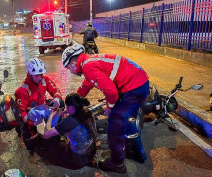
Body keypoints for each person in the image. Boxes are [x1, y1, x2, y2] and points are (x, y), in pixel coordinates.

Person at [62, 43, 149, 173]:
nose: (70, 71)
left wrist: (110, 107)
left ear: (73, 63)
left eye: (68, 68)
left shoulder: (88, 67)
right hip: (139, 82)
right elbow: (86, 85)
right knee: (127, 119)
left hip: (133, 87)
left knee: (114, 123)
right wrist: (71, 104)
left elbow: (111, 92)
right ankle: (136, 152)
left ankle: (117, 163)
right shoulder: (88, 61)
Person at [14, 58, 63, 150]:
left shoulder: (44, 80)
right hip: (31, 114)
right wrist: (31, 122)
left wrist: (57, 99)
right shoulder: (22, 90)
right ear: (30, 74)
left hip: (41, 107)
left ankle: (55, 133)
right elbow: (21, 112)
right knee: (31, 144)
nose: (40, 77)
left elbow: (55, 91)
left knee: (61, 105)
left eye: (41, 74)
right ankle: (20, 127)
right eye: (37, 75)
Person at [41, 93, 97, 170]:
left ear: (71, 107)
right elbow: (76, 115)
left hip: (78, 160)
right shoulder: (87, 111)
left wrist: (51, 116)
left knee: (48, 142)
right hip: (91, 152)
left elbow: (46, 134)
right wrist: (67, 111)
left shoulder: (69, 122)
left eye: (67, 106)